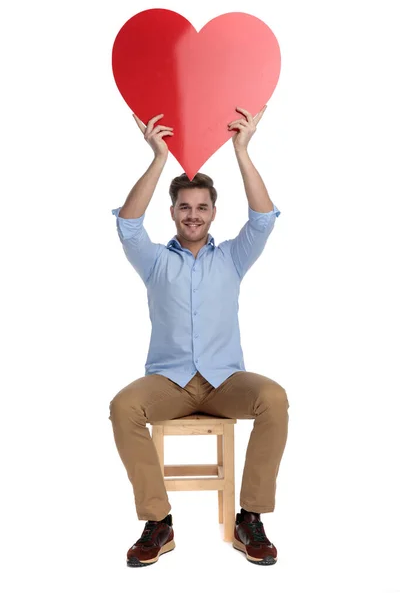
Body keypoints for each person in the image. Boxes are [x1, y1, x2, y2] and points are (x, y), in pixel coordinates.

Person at [109, 106, 289, 567]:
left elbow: (264, 219)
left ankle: (250, 519)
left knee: (273, 397)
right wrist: (158, 157)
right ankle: (158, 523)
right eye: (184, 207)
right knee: (124, 406)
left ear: (213, 212)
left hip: (225, 380)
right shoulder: (154, 262)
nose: (193, 215)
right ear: (172, 211)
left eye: (201, 207)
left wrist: (241, 150)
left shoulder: (231, 258)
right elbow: (128, 226)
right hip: (168, 383)